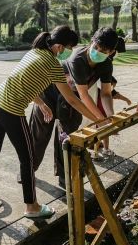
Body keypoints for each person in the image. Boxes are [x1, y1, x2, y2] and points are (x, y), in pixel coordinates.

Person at [0, 25, 104, 218]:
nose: (69, 52)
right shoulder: (53, 65)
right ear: (60, 47)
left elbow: (25, 81)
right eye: (70, 47)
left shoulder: (34, 52)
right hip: (12, 110)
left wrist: (42, 104)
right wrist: (98, 119)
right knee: (27, 158)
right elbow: (72, 99)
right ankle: (32, 206)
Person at [29, 27, 119, 187]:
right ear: (92, 41)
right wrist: (101, 120)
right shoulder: (77, 58)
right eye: (96, 46)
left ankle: (66, 178)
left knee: (69, 138)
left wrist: (111, 117)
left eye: (103, 50)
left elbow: (106, 93)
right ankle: (28, 171)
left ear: (111, 52)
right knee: (39, 135)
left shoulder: (106, 65)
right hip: (49, 94)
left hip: (72, 99)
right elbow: (84, 95)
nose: (97, 51)